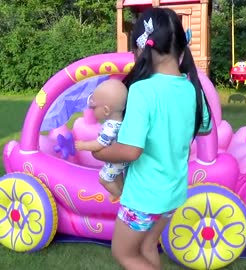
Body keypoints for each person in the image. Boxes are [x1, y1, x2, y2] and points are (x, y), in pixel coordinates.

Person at [91, 7, 213, 270]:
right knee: (147, 246)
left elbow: (130, 150)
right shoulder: (192, 87)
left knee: (124, 253)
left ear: (142, 48)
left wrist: (99, 152)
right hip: (173, 192)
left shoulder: (142, 90)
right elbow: (204, 127)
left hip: (144, 197)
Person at [74, 79, 128, 202]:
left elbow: (100, 144)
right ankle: (121, 189)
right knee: (117, 175)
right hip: (120, 158)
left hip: (116, 160)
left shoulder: (110, 126)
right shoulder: (120, 122)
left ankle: (119, 195)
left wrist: (83, 145)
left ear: (106, 110)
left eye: (94, 108)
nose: (92, 111)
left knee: (104, 179)